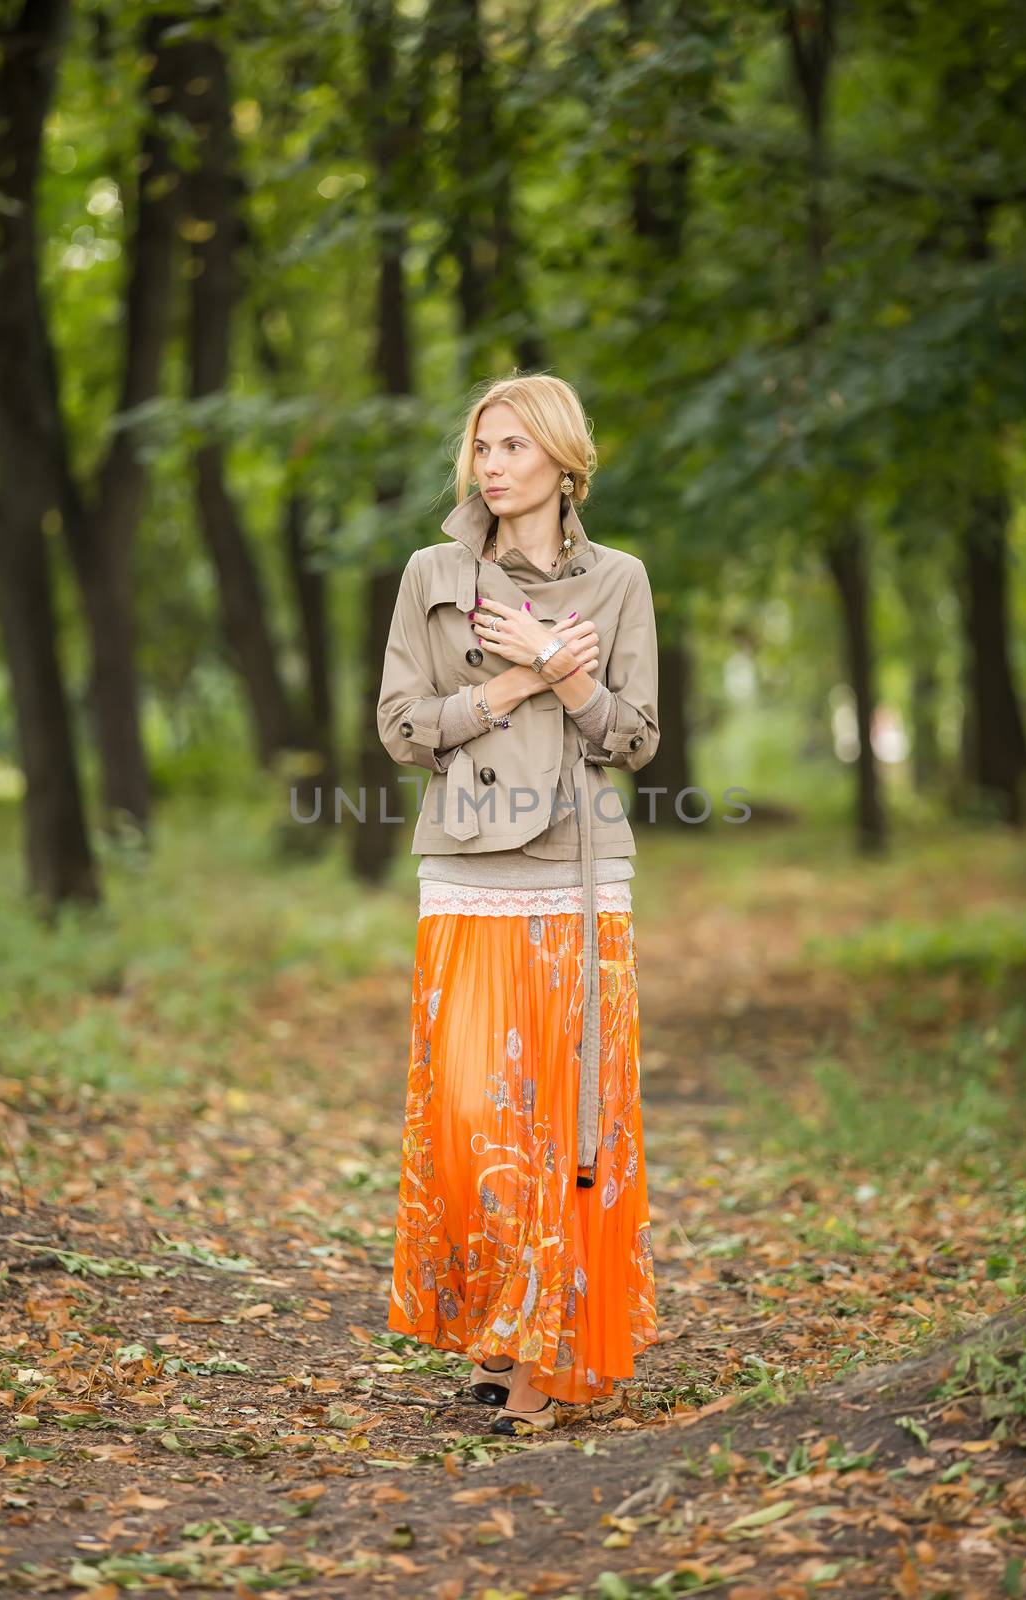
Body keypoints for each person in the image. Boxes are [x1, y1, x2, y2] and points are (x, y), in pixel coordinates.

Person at [376, 372, 660, 1434]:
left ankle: (549, 1353)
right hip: (462, 864)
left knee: (561, 1121)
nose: (491, 465)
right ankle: (498, 1321)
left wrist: (566, 676)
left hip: (574, 871)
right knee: (466, 1116)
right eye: (481, 447)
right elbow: (401, 726)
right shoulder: (431, 573)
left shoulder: (619, 579)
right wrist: (512, 683)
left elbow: (635, 739)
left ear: (560, 460)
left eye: (512, 447)